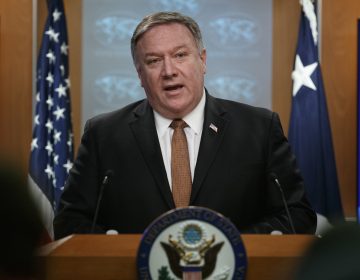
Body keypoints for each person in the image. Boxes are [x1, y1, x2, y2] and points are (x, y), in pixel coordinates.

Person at [54, 11, 316, 239]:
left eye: (180, 55)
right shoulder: (104, 135)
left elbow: (297, 216)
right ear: (140, 75)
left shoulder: (259, 128)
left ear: (202, 61)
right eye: (154, 61)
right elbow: (69, 222)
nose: (169, 71)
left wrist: (228, 245)